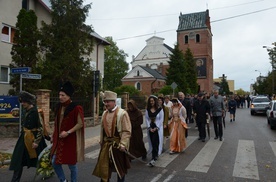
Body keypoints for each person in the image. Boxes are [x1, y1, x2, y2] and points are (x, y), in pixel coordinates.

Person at [93, 91, 131, 182]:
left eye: (108, 101)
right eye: (105, 102)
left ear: (114, 101)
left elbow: (126, 131)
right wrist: (102, 141)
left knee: (120, 169)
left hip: (118, 146)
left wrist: (123, 144)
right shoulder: (104, 113)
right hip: (106, 146)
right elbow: (102, 130)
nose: (106, 104)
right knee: (104, 168)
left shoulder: (122, 113)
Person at [50, 81, 85, 182]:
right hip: (59, 139)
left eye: (63, 95)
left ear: (68, 96)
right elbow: (57, 123)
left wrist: (68, 132)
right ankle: (63, 180)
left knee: (71, 165)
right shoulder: (59, 106)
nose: (60, 97)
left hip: (70, 140)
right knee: (54, 162)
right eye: (59, 95)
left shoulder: (76, 108)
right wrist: (53, 135)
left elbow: (80, 123)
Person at [9, 91, 47, 182]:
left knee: (42, 158)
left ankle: (48, 171)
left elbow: (41, 128)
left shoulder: (36, 112)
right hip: (24, 138)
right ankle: (15, 180)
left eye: (24, 102)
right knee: (18, 158)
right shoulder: (25, 111)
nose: (22, 104)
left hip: (34, 138)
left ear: (29, 102)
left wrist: (36, 142)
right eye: (21, 102)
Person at [145, 95, 164, 167]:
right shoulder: (148, 109)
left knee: (156, 142)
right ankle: (154, 155)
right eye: (150, 101)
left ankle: (154, 156)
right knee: (152, 142)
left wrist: (157, 127)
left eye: (152, 101)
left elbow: (161, 119)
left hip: (157, 128)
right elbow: (147, 119)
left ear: (155, 101)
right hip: (151, 128)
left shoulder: (160, 109)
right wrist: (149, 127)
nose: (151, 102)